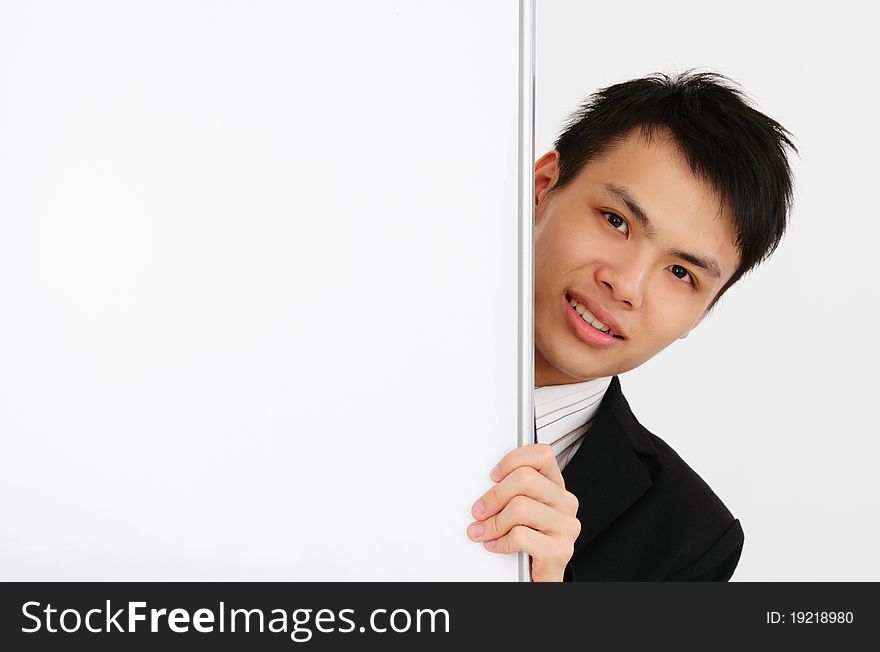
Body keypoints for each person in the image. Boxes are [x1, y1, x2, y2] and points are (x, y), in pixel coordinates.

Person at [466, 71, 796, 581]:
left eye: (681, 273)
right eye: (617, 221)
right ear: (542, 187)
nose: (627, 286)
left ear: (702, 315)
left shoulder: (691, 540)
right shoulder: (342, 350)